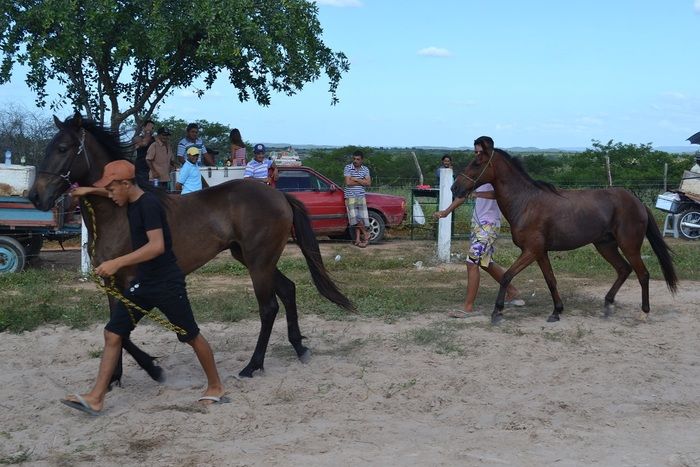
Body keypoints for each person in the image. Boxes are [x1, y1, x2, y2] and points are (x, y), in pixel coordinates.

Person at [61, 160, 226, 415]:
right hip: (143, 283)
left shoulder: (148, 205)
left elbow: (156, 246)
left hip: (166, 283)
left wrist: (116, 262)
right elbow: (111, 193)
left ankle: (216, 386)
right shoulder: (130, 198)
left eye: (112, 188)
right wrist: (89, 191)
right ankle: (96, 397)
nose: (111, 193)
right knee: (113, 334)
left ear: (126, 184)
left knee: (190, 336)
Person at [434, 136, 524, 317]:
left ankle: (467, 308)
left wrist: (476, 194)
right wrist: (446, 211)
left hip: (489, 223)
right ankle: (513, 292)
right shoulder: (479, 171)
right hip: (478, 223)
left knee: (472, 261)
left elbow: (500, 193)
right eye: (475, 152)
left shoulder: (493, 172)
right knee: (485, 263)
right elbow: (464, 195)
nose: (476, 155)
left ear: (488, 151)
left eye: (480, 152)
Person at [343, 150, 371, 247]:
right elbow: (348, 183)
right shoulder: (348, 168)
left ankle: (358, 239)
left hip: (361, 196)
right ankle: (366, 234)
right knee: (354, 218)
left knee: (362, 218)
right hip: (350, 196)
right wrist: (362, 181)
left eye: (358, 159)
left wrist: (355, 179)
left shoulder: (365, 169)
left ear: (362, 160)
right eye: (354, 159)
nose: (355, 161)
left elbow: (368, 183)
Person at [133, 119, 155, 187]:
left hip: (152, 167)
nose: (150, 129)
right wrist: (147, 132)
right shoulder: (137, 138)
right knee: (142, 186)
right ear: (143, 128)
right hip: (141, 167)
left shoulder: (154, 139)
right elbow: (144, 144)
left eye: (152, 127)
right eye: (148, 126)